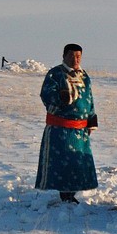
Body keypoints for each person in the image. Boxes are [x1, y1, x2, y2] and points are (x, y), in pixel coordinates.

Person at [35, 43, 98, 203]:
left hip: (80, 130)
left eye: (78, 56)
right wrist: (61, 98)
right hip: (60, 130)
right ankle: (65, 194)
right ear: (64, 56)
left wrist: (91, 120)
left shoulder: (84, 76)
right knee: (64, 162)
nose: (75, 59)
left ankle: (73, 192)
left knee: (77, 162)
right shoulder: (55, 74)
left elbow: (89, 99)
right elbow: (46, 95)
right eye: (71, 55)